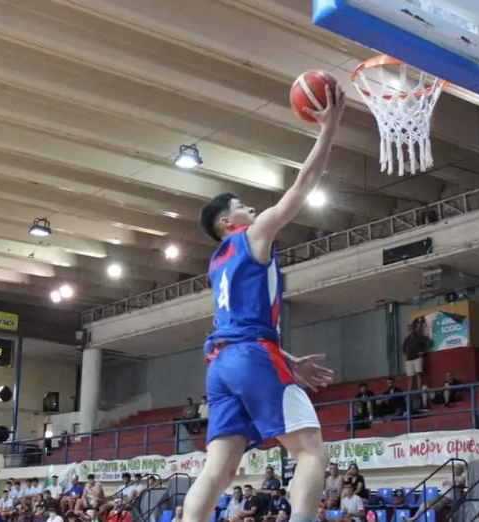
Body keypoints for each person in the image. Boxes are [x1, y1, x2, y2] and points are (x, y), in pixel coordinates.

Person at [182, 82, 345, 522]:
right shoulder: (252, 237)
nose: (251, 207)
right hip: (252, 354)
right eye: (241, 204)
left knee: (219, 469)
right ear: (226, 222)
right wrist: (327, 129)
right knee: (312, 452)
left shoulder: (217, 265)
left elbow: (236, 325)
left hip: (221, 363)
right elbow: (302, 186)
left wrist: (289, 360)